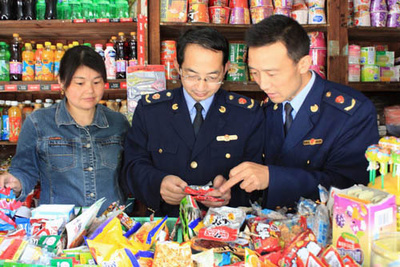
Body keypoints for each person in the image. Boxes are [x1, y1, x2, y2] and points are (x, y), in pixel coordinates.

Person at [220, 15, 380, 209]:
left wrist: (274, 178)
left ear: (304, 64)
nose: (263, 83)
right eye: (255, 72)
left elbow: (352, 186)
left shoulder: (351, 112)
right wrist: (227, 187)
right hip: (270, 228)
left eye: (272, 73)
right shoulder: (269, 107)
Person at [122, 27, 264, 216]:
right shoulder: (151, 111)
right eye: (191, 75)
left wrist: (231, 192)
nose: (201, 86)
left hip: (224, 227)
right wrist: (159, 183)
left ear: (226, 69)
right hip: (166, 225)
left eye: (212, 77)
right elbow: (132, 165)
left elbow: (257, 177)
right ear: (177, 66)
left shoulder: (247, 115)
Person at [0, 45, 130, 213]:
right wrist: (15, 182)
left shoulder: (118, 123)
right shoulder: (38, 123)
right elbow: (24, 170)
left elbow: (131, 170)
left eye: (96, 82)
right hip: (59, 227)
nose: (89, 90)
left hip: (110, 226)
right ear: (62, 81)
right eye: (80, 83)